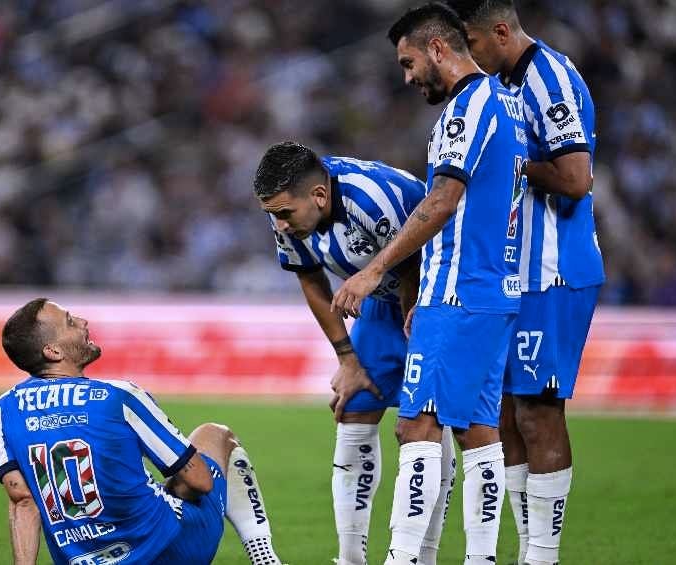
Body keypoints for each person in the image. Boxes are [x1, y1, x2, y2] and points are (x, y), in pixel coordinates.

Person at [331, 4, 528, 564]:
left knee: (416, 426)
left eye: (409, 61)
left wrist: (374, 270)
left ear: (438, 49)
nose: (408, 76)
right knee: (478, 431)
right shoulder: (502, 104)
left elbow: (442, 201)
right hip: (489, 292)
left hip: (460, 291)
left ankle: (403, 558)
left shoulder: (466, 110)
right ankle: (482, 558)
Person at [445, 2, 604, 563]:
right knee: (506, 411)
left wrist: (511, 164)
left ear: (501, 31)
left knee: (538, 411)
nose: (470, 56)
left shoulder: (551, 78)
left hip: (554, 271)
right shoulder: (503, 83)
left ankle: (543, 556)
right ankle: (528, 551)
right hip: (515, 275)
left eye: (473, 43)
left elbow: (575, 178)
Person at [254, 143, 455, 565]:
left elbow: (417, 261)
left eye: (284, 213)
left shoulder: (371, 197)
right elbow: (309, 279)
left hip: (435, 301)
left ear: (319, 197)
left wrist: (416, 343)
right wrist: (347, 359)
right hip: (383, 306)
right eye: (272, 214)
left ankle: (420, 556)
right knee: (352, 409)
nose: (279, 224)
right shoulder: (290, 214)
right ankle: (350, 558)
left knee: (422, 426)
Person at [0, 298, 284, 565]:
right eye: (70, 321)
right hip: (170, 550)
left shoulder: (2, 412)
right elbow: (200, 480)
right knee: (215, 435)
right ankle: (264, 556)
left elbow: (23, 501)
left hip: (83, 559)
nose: (83, 322)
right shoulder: (118, 396)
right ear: (52, 351)